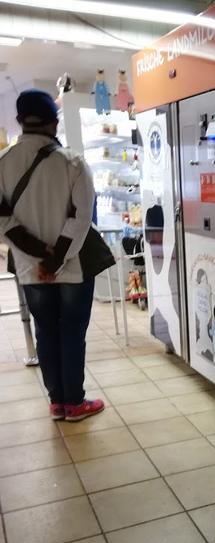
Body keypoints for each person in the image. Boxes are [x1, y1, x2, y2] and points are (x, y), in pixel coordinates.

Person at [0, 89, 104, 421]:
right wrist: (56, 259)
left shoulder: (2, 165)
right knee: (72, 330)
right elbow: (82, 215)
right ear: (54, 123)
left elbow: (3, 219)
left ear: (19, 122)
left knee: (45, 330)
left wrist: (38, 257)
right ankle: (75, 403)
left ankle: (57, 402)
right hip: (71, 265)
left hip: (30, 268)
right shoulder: (72, 162)